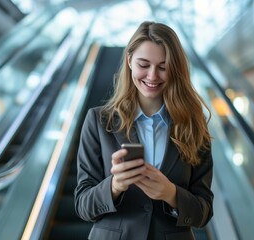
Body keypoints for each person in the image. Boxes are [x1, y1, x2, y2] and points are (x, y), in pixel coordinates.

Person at [74, 21, 214, 240]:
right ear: (129, 60)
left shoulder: (194, 125)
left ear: (175, 69)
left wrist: (171, 194)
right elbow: (83, 206)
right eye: (144, 64)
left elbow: (203, 212)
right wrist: (115, 185)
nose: (152, 76)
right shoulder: (99, 121)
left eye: (163, 67)